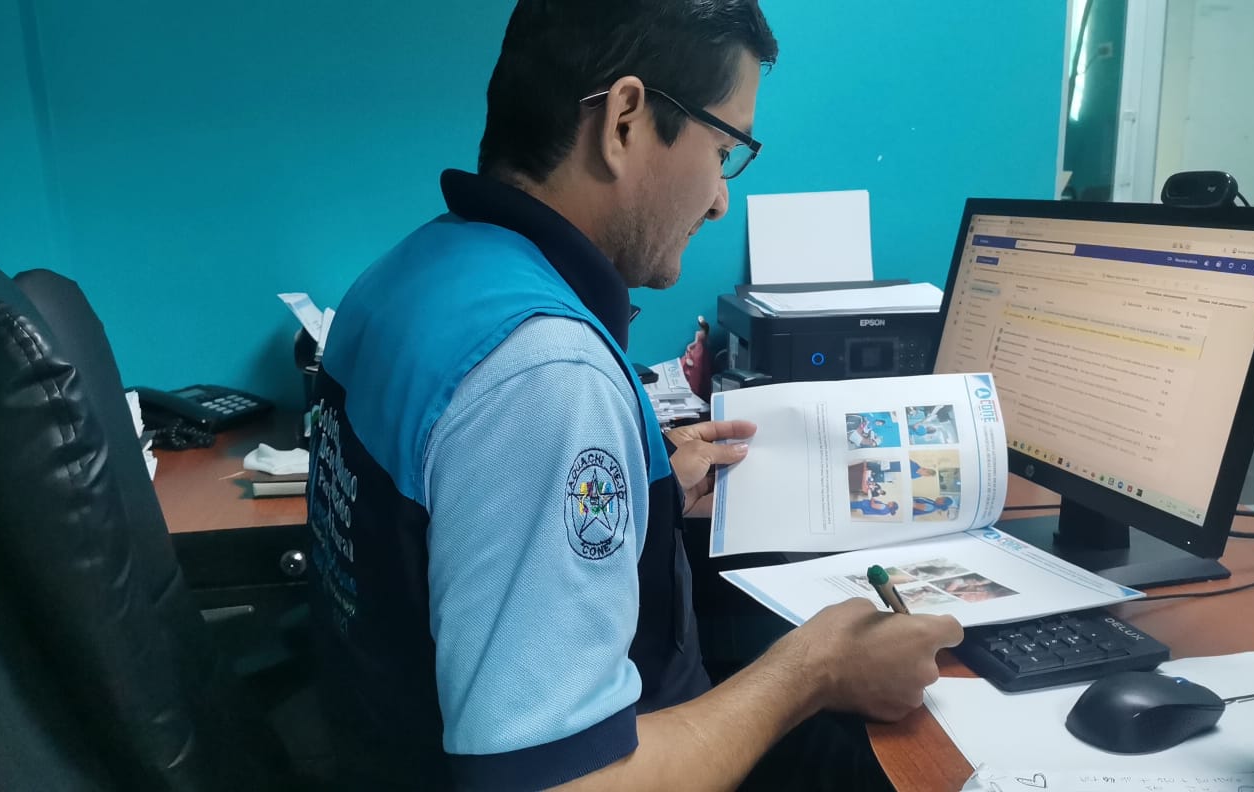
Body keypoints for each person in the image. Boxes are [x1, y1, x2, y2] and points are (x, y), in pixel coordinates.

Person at [306, 2, 963, 789]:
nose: (719, 200)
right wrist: (815, 669)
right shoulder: (546, 375)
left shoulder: (409, 276)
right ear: (623, 120)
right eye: (724, 150)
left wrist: (646, 497)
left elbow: (446, 530)